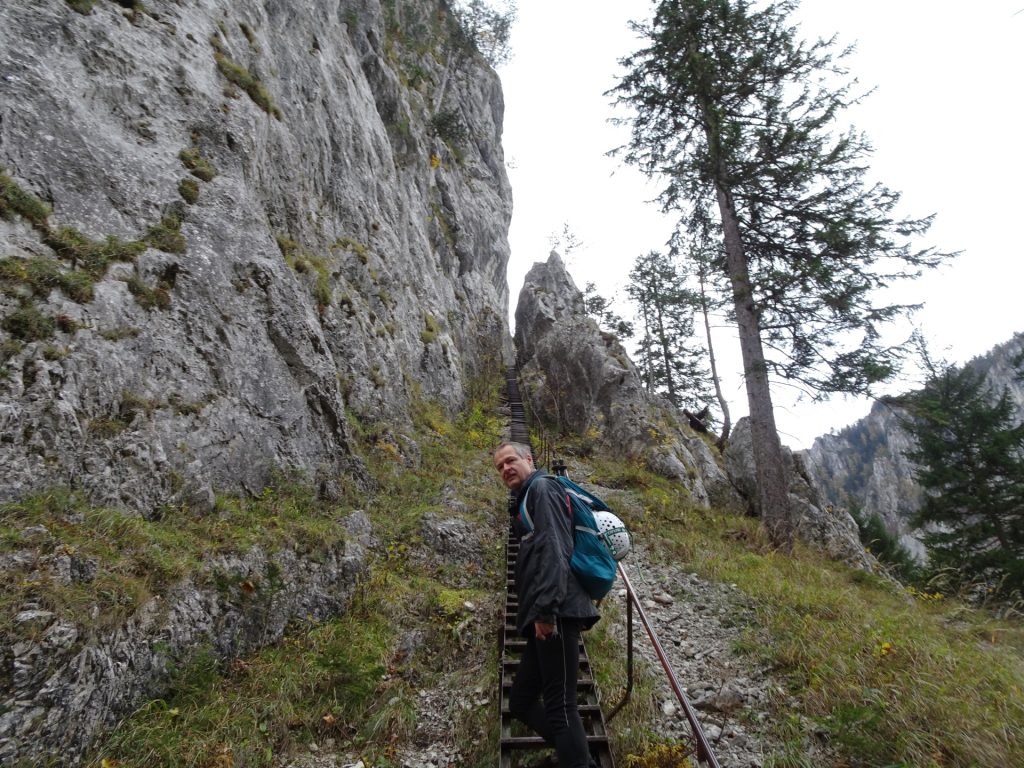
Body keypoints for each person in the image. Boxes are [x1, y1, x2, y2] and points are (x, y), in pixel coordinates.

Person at [493, 441, 599, 768]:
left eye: (510, 460)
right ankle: (578, 757)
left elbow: (555, 549)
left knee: (560, 704)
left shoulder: (541, 488)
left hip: (557, 611)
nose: (505, 469)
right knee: (522, 700)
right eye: (499, 467)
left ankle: (578, 761)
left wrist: (546, 610)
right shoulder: (528, 498)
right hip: (548, 609)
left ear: (529, 458)